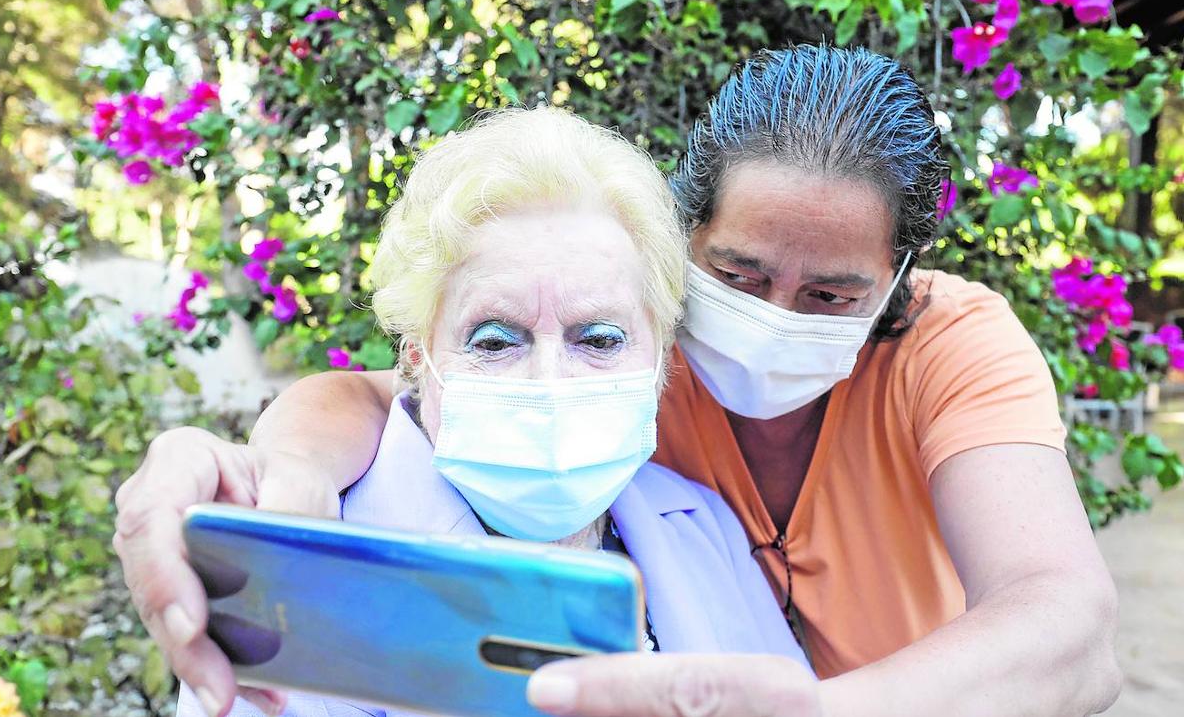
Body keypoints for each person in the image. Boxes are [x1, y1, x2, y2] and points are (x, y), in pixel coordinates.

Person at [117, 45, 1120, 717]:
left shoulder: (945, 352)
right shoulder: (334, 589)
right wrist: (274, 477)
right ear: (689, 258)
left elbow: (1066, 619)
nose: (775, 314)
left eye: (831, 292)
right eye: (740, 274)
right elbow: (379, 393)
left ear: (897, 280)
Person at [165, 107, 808, 717]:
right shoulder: (304, 574)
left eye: (601, 339)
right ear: (419, 359)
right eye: (496, 340)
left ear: (660, 355)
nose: (551, 380)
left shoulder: (702, 526)